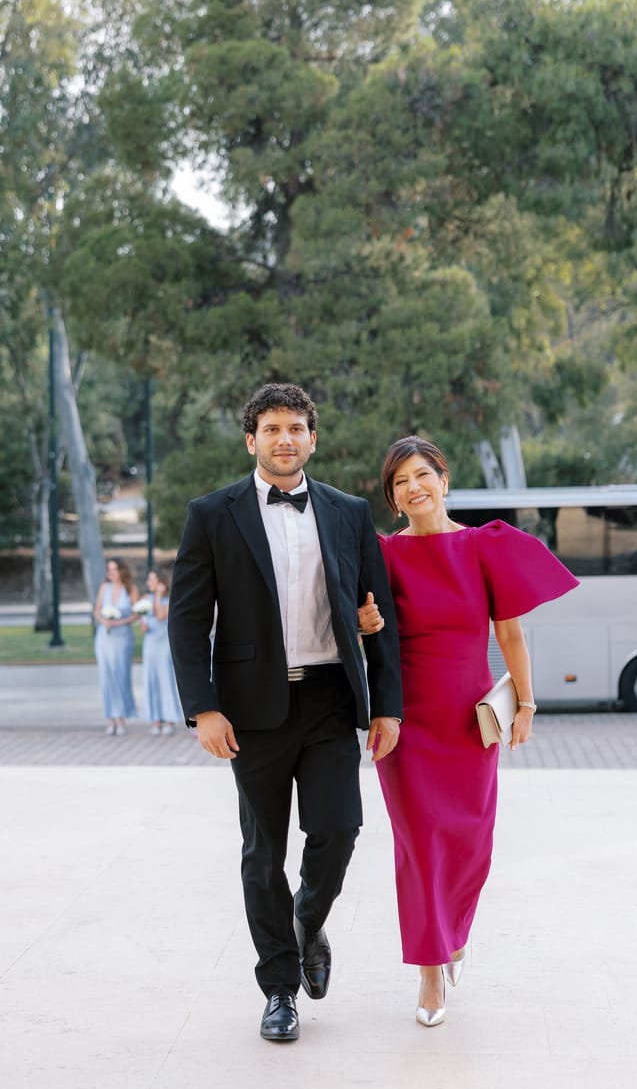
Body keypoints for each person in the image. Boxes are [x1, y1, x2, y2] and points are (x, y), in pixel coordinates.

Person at [168, 382, 403, 1043]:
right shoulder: (212, 514)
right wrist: (203, 709)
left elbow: (379, 618)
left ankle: (308, 915)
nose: (284, 439)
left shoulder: (349, 511)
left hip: (329, 699)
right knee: (261, 851)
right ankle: (278, 989)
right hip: (250, 710)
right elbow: (188, 624)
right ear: (252, 440)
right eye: (271, 429)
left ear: (312, 438)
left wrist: (387, 707)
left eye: (296, 428)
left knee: (339, 828)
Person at [368, 437, 578, 1027]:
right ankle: (430, 973)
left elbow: (509, 635)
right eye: (400, 482)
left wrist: (527, 703)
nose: (413, 487)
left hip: (468, 721)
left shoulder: (483, 546)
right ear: (393, 497)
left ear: (443, 478)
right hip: (406, 724)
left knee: (468, 842)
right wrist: (365, 621)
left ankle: (452, 932)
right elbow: (366, 631)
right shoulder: (383, 554)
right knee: (419, 845)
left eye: (421, 475)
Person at [93, 557, 140, 736]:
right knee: (106, 677)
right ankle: (110, 718)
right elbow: (97, 610)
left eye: (114, 569)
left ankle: (121, 717)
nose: (111, 573)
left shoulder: (131, 589)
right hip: (104, 636)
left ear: (121, 570)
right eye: (109, 569)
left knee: (120, 675)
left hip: (122, 637)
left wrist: (121, 621)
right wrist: (104, 620)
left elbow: (137, 614)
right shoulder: (104, 588)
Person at [139, 568, 182, 735]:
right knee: (151, 679)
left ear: (161, 583)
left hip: (164, 644)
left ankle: (169, 718)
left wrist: (158, 596)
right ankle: (155, 719)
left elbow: (161, 616)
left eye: (152, 580)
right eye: (148, 580)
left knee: (165, 679)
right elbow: (145, 623)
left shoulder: (169, 599)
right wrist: (142, 621)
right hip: (150, 643)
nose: (149, 583)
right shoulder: (144, 599)